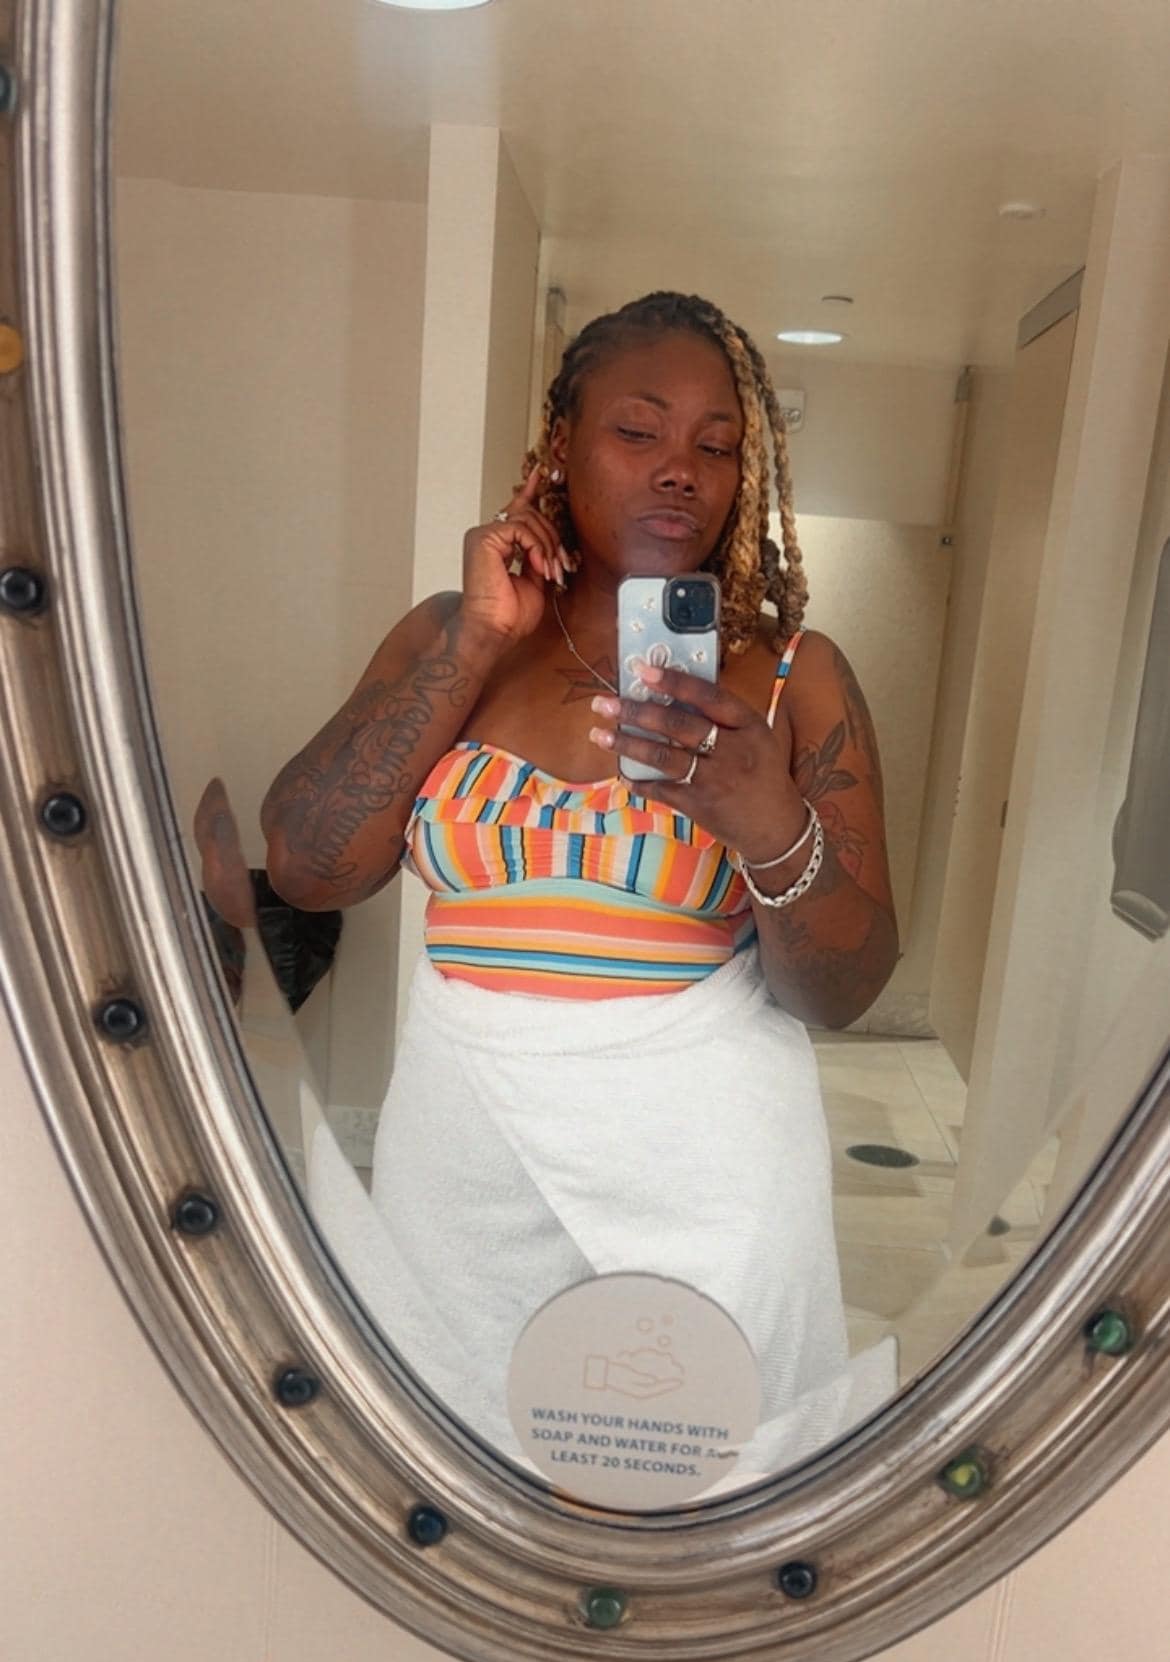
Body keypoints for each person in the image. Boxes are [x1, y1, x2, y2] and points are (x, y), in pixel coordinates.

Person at [262, 290, 897, 1467]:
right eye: (638, 430)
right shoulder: (452, 634)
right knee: (460, 1467)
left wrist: (768, 822)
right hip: (465, 1161)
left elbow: (844, 990)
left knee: (705, 1479)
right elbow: (306, 868)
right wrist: (474, 645)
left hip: (711, 1172)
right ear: (562, 444)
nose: (680, 469)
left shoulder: (792, 676)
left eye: (717, 446)